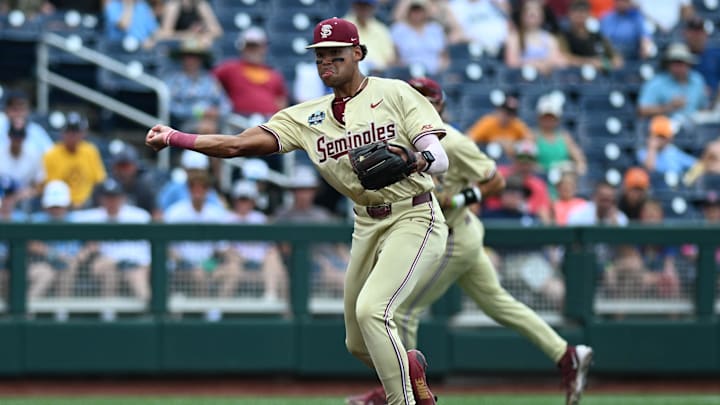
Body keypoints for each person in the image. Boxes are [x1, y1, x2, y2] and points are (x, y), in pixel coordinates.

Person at [147, 17, 450, 405]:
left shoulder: (395, 93)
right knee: (359, 342)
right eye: (320, 56)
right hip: (366, 223)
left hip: (414, 214)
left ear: (358, 54)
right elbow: (237, 145)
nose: (326, 62)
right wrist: (176, 137)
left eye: (335, 55)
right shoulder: (306, 117)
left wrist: (414, 159)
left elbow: (439, 159)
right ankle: (411, 368)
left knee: (374, 311)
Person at [348, 77, 593, 405]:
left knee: (402, 310)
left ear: (440, 106)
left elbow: (495, 180)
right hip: (454, 232)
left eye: (427, 99)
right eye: (413, 97)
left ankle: (401, 392)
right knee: (497, 302)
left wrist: (461, 198)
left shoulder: (452, 142)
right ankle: (566, 355)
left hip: (452, 236)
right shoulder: (395, 139)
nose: (418, 104)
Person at [273, 166, 350, 298]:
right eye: (300, 190)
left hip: (331, 262)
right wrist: (321, 262)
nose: (304, 194)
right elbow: (285, 249)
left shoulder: (322, 214)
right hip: (304, 266)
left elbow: (338, 245)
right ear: (293, 192)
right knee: (340, 279)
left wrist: (351, 262)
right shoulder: (283, 216)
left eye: (308, 190)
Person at [72, 179, 152, 301]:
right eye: (108, 197)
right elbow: (64, 218)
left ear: (123, 198)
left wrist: (144, 265)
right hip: (107, 263)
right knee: (108, 271)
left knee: (137, 277)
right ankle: (108, 315)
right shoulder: (91, 217)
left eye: (115, 197)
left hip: (135, 264)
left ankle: (151, 315)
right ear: (101, 199)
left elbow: (148, 249)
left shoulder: (139, 216)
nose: (111, 201)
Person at [164, 170, 233, 297]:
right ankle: (204, 313)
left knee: (232, 271)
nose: (198, 191)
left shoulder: (217, 214)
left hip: (208, 263)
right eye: (193, 187)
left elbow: (222, 248)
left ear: (208, 190)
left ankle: (217, 310)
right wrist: (184, 262)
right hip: (181, 265)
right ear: (188, 189)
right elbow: (168, 247)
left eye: (202, 187)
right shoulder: (175, 212)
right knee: (198, 273)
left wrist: (229, 260)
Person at [221, 180, 287, 301]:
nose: (244, 203)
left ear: (253, 201)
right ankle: (217, 311)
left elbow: (270, 247)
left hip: (260, 262)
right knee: (233, 267)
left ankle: (273, 300)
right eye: (241, 199)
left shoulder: (260, 218)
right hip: (237, 262)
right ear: (235, 200)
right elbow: (223, 247)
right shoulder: (226, 218)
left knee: (276, 261)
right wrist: (236, 256)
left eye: (247, 199)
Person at [213, 27, 289, 118]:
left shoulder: (274, 74)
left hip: (268, 121)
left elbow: (281, 101)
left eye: (256, 47)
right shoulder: (229, 68)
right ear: (242, 48)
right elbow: (210, 83)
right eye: (249, 47)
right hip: (239, 120)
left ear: (264, 48)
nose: (253, 51)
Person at [163, 38, 232, 133]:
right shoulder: (172, 80)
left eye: (195, 56)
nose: (191, 60)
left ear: (201, 59)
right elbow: (169, 106)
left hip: (212, 122)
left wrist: (217, 112)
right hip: (183, 123)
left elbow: (226, 105)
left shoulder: (210, 80)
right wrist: (199, 112)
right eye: (188, 56)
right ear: (182, 58)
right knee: (206, 128)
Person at [27, 180, 81, 299]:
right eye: (53, 206)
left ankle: (61, 313)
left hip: (70, 263)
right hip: (41, 262)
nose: (56, 210)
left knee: (68, 269)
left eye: (59, 206)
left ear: (67, 205)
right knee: (45, 273)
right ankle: (26, 313)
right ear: (45, 206)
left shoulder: (77, 220)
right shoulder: (35, 220)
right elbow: (28, 243)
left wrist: (78, 257)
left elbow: (92, 244)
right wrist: (52, 253)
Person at [43, 112, 107, 209]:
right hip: (60, 206)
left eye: (76, 131)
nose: (72, 135)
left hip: (88, 205)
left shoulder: (90, 151)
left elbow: (99, 181)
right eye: (69, 131)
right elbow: (50, 186)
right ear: (62, 133)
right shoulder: (51, 154)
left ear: (83, 133)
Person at [637, 43, 709, 124]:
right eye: (674, 62)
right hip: (664, 130)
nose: (678, 66)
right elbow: (642, 110)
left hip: (694, 129)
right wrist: (669, 107)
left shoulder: (697, 80)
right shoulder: (657, 82)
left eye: (681, 62)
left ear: (688, 64)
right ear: (668, 64)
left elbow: (703, 108)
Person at [504, 0, 567, 75]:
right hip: (520, 82)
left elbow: (560, 61)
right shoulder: (514, 37)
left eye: (537, 10)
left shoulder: (549, 38)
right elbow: (512, 63)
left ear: (542, 15)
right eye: (529, 10)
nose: (533, 13)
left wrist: (546, 64)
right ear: (522, 15)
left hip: (547, 82)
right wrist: (537, 64)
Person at [558, 0, 623, 72]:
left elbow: (617, 60)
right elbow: (565, 58)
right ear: (569, 14)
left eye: (583, 12)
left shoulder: (597, 36)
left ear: (589, 14)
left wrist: (605, 64)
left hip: (600, 79)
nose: (580, 16)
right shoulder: (564, 36)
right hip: (571, 77)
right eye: (576, 12)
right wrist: (591, 62)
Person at [532, 94, 587, 176]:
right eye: (546, 117)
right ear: (539, 118)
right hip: (540, 180)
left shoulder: (565, 137)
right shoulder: (532, 136)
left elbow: (579, 160)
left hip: (562, 181)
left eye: (552, 117)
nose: (549, 120)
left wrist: (573, 168)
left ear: (558, 119)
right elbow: (526, 163)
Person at [390, 0, 449, 76]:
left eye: (420, 11)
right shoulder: (398, 29)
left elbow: (444, 56)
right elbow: (395, 57)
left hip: (435, 73)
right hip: (409, 73)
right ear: (408, 11)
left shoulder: (435, 28)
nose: (417, 14)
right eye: (414, 11)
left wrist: (441, 69)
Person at [467, 95, 533, 157]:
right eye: (506, 112)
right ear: (499, 110)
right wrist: (489, 143)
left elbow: (530, 142)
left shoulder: (516, 124)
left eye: (511, 113)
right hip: (489, 159)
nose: (508, 116)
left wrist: (514, 146)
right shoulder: (488, 122)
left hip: (510, 163)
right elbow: (469, 139)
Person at [344, 0, 397, 74]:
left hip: (380, 75)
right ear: (354, 6)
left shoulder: (381, 29)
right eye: (361, 5)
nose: (364, 9)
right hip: (354, 73)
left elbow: (391, 60)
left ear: (374, 8)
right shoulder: (344, 26)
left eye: (367, 6)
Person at [0, 90, 53, 156]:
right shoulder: (1, 128)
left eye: (22, 109)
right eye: (15, 109)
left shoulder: (37, 131)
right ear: (6, 111)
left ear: (28, 111)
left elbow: (51, 156)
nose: (18, 114)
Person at [683, 16, 720, 105]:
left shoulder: (716, 54)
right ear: (685, 33)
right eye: (693, 32)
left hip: (715, 102)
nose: (696, 36)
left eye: (700, 32)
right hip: (686, 102)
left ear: (705, 34)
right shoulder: (677, 57)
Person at [155, 0, 222, 47]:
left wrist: (205, 35)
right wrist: (190, 35)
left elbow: (217, 31)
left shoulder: (200, 4)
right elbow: (165, 34)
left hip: (195, 48)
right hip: (177, 48)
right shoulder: (173, 5)